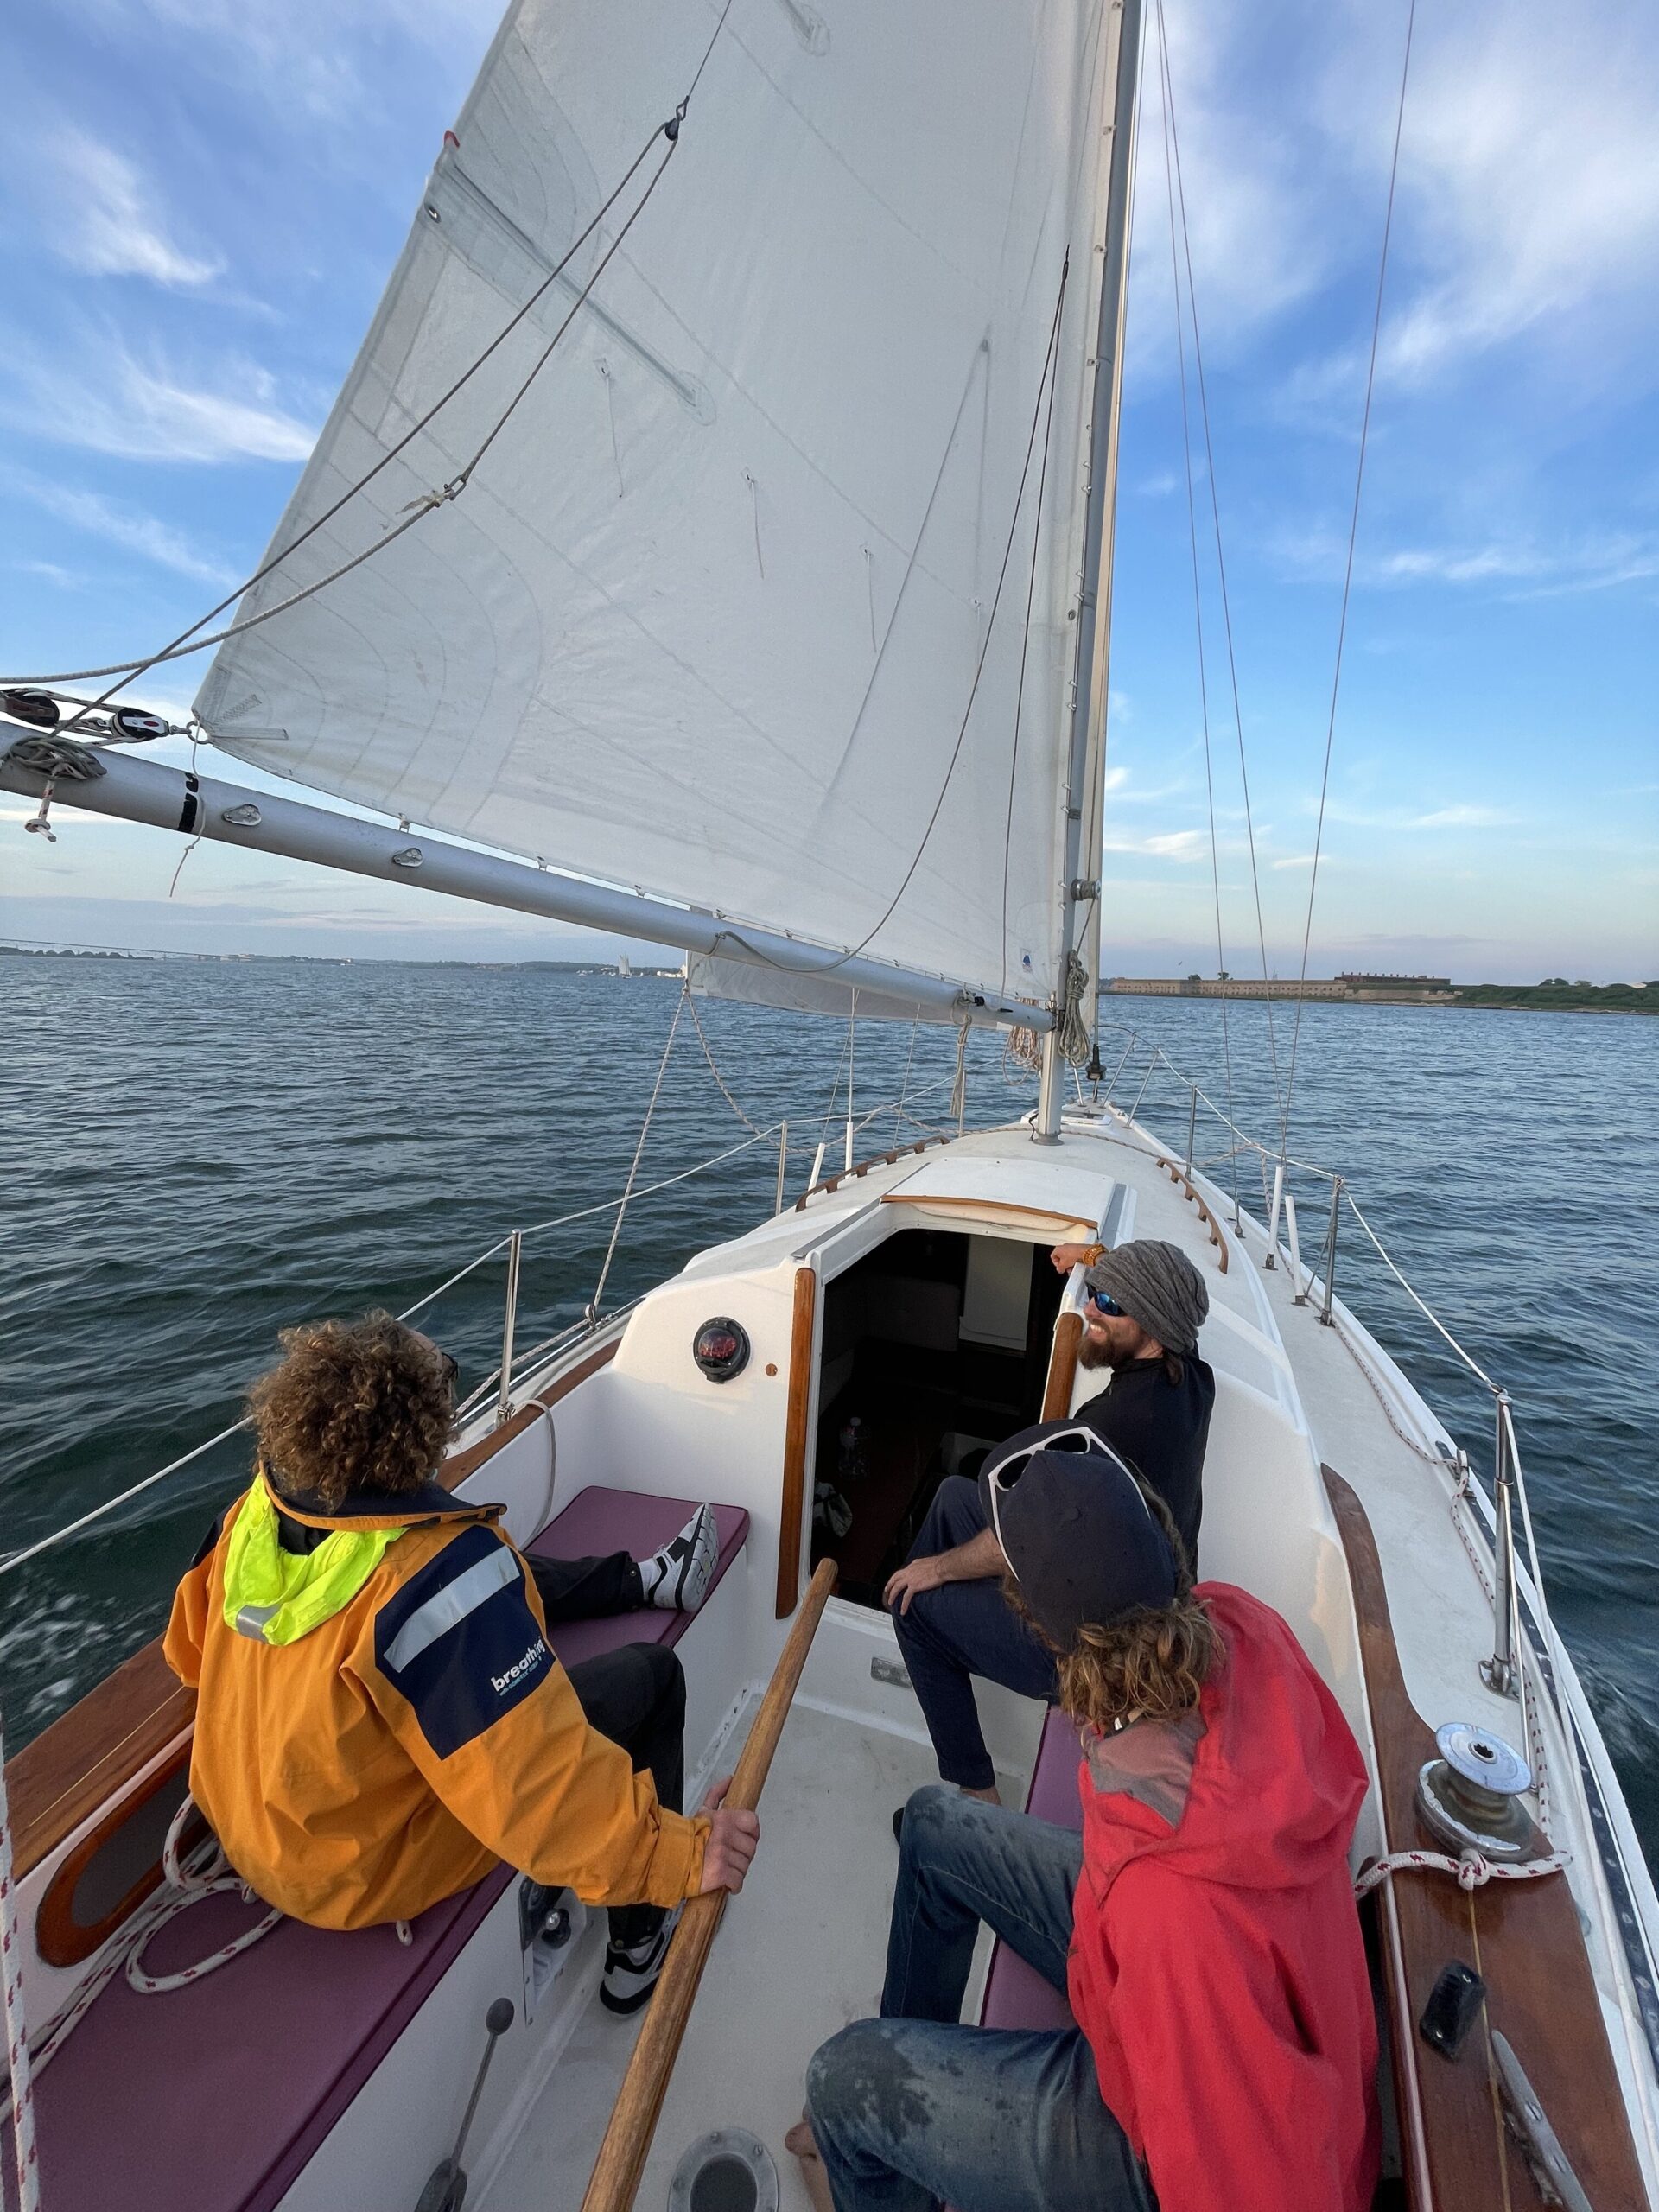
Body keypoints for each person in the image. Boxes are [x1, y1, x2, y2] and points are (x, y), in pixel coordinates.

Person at [795, 1444, 1379, 2212]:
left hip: (1163, 2141)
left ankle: (878, 2156)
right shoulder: (1235, 1621)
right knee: (938, 1825)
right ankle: (910, 2146)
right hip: (1150, 1965)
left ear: (1042, 1630)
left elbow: (1252, 2180)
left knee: (842, 2082)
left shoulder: (1170, 1908)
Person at [164, 1312, 758, 2013]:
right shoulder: (440, 1584)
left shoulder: (251, 1519)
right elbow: (537, 1793)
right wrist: (683, 1857)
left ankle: (644, 1579)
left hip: (253, 1831)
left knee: (483, 1570)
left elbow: (188, 1656)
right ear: (420, 1432)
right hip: (361, 1869)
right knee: (651, 1678)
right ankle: (637, 1951)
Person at [885, 1238, 1214, 1803]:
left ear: (1153, 1332)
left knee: (911, 1605)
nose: (1089, 1309)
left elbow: (1022, 1538)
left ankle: (978, 1795)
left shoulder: (1116, 1424)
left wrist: (938, 1569)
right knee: (952, 1495)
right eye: (1095, 1294)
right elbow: (1168, 1302)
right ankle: (950, 1657)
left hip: (1092, 1652)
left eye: (1109, 1304)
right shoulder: (1192, 1375)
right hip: (1134, 1580)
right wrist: (1095, 1261)